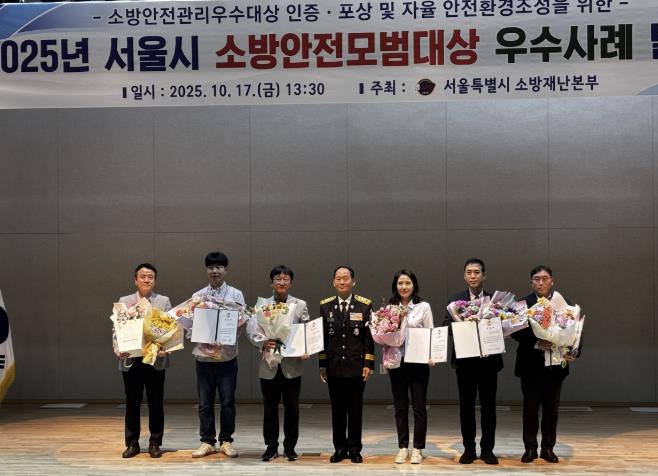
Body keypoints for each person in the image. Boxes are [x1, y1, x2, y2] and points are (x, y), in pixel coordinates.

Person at [512, 265, 581, 464]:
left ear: (552, 281)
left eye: (545, 278)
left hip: (555, 366)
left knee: (552, 410)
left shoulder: (565, 304)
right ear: (531, 282)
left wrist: (574, 350)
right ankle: (530, 448)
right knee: (530, 409)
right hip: (530, 366)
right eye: (536, 279)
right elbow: (515, 332)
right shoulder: (522, 304)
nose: (540, 282)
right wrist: (536, 342)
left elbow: (576, 330)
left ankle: (548, 448)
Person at [246, 265, 310, 462]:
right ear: (271, 283)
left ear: (291, 282)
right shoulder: (262, 305)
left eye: (285, 279)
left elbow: (306, 329)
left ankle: (290, 447)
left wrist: (306, 347)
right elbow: (251, 330)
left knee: (292, 408)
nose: (281, 282)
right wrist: (262, 342)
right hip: (269, 365)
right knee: (269, 409)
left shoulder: (300, 304)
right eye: (278, 279)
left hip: (292, 364)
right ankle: (271, 446)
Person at [444, 258, 502, 465]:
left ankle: (487, 450)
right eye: (469, 272)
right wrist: (464, 325)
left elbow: (506, 326)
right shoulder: (455, 301)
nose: (473, 275)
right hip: (465, 362)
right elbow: (446, 327)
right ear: (464, 276)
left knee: (489, 407)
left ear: (484, 275)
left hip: (489, 362)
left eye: (477, 272)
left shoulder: (494, 300)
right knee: (466, 407)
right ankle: (468, 449)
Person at [113, 263, 172, 459]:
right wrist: (118, 349)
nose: (146, 280)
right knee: (132, 403)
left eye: (150, 277)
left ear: (155, 280)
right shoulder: (124, 301)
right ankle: (132, 443)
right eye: (143, 276)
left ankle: (155, 442)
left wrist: (166, 349)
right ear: (135, 280)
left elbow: (171, 329)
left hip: (155, 360)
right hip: (131, 360)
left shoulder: (163, 301)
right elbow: (116, 330)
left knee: (156, 403)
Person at [191, 251, 246, 459]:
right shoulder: (198, 296)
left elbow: (241, 323)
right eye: (211, 267)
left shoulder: (236, 295)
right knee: (205, 402)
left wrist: (226, 337)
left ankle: (226, 441)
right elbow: (190, 325)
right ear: (207, 270)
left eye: (219, 267)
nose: (215, 271)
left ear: (225, 270)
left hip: (227, 357)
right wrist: (201, 336)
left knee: (227, 401)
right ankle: (207, 441)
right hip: (204, 358)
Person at [319, 266, 375, 464]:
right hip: (334, 367)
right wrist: (322, 364)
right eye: (338, 278)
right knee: (337, 411)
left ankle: (354, 448)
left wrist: (368, 363)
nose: (342, 282)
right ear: (333, 282)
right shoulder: (325, 306)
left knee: (355, 410)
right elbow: (322, 338)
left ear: (353, 281)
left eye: (346, 278)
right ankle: (340, 448)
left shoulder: (364, 305)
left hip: (356, 367)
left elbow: (368, 338)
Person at [387, 270, 434, 465]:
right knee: (400, 407)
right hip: (397, 362)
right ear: (395, 286)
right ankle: (402, 447)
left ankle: (418, 448)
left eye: (407, 283)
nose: (404, 287)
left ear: (414, 285)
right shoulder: (390, 308)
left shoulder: (423, 307)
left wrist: (432, 355)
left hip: (418, 363)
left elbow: (431, 332)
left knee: (419, 407)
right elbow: (385, 335)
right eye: (400, 283)